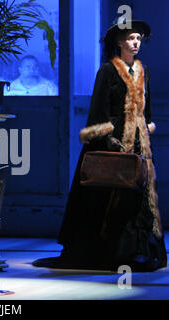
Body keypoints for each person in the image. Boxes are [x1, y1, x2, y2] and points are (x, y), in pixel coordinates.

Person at [33, 19, 167, 271]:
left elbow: (146, 111)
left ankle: (135, 252)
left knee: (137, 196)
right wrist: (110, 138)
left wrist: (147, 128)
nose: (135, 42)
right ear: (119, 42)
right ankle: (102, 252)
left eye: (138, 38)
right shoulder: (107, 71)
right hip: (110, 142)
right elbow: (98, 112)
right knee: (106, 194)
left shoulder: (143, 71)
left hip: (139, 143)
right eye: (130, 38)